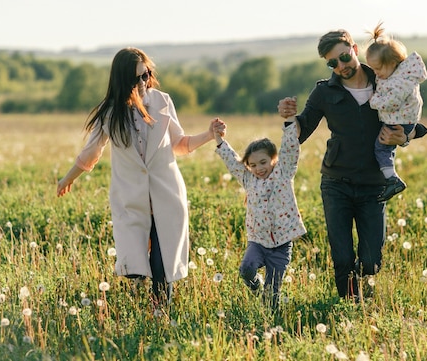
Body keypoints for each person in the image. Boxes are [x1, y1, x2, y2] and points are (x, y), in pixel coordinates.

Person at [57, 47, 219, 306]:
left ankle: (160, 315)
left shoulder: (162, 102)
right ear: (123, 81)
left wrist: (209, 134)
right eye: (136, 79)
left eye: (146, 75)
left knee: (162, 265)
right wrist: (68, 178)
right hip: (132, 197)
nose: (143, 82)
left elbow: (180, 144)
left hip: (166, 194)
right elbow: (91, 153)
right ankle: (143, 292)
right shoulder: (110, 112)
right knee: (134, 265)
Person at [278, 29, 427, 301]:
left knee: (372, 259)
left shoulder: (383, 76)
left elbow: (411, 115)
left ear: (355, 50)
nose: (340, 66)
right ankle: (350, 305)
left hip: (374, 186)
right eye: (332, 63)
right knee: (342, 256)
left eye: (344, 57)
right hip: (337, 184)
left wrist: (406, 135)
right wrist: (289, 118)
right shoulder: (324, 91)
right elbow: (302, 130)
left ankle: (363, 289)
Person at [212, 116, 306, 309]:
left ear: (273, 159)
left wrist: (289, 123)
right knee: (246, 270)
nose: (258, 169)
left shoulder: (283, 174)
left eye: (263, 162)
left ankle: (271, 321)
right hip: (258, 241)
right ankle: (256, 286)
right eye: (253, 165)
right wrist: (219, 140)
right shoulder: (249, 180)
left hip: (281, 244)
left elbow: (290, 150)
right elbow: (233, 162)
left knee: (272, 293)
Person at [365, 22, 427, 202]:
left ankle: (392, 179)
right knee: (385, 148)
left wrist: (374, 100)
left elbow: (391, 103)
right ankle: (390, 178)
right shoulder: (396, 75)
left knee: (382, 149)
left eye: (377, 69)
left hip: (400, 121)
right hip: (401, 121)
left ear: (392, 63)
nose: (376, 73)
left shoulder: (401, 81)